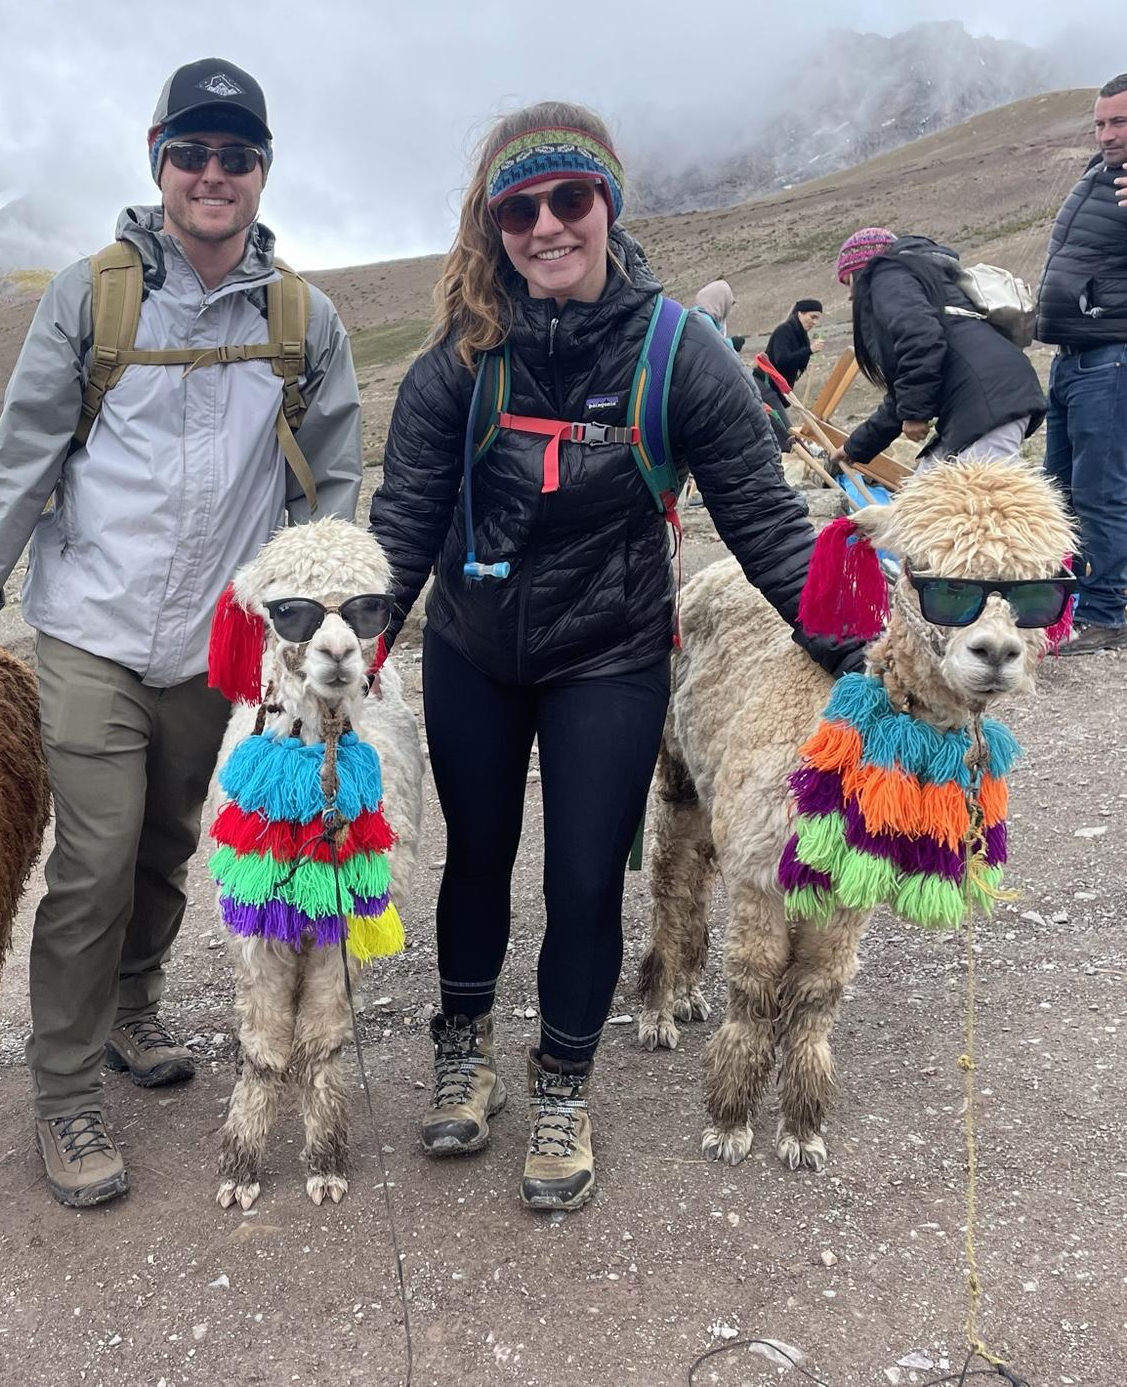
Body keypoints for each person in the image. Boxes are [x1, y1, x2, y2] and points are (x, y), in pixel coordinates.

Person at [0, 58, 362, 1209]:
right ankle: (64, 1092)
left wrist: (324, 640)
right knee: (95, 859)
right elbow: (15, 477)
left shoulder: (303, 320)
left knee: (168, 844)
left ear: (261, 171)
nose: (213, 175)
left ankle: (134, 1007)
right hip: (90, 633)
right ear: (158, 159)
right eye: (192, 153)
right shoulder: (88, 300)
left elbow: (331, 490)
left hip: (221, 650)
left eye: (235, 156)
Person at [368, 101, 861, 1215]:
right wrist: (352, 644)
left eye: (569, 200)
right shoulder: (461, 354)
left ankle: (560, 1084)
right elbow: (403, 520)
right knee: (479, 855)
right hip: (473, 646)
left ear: (607, 206)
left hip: (613, 654)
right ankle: (463, 1047)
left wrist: (856, 648)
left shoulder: (679, 351)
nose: (547, 226)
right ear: (494, 225)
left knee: (587, 876)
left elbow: (767, 524)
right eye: (520, 209)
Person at [830, 229, 1045, 477]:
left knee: (979, 500)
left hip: (990, 398)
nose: (849, 295)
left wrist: (915, 414)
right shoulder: (914, 281)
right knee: (923, 493)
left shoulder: (887, 276)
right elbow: (901, 394)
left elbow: (921, 339)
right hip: (986, 398)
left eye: (848, 281)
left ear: (860, 269)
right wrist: (854, 448)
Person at [1036, 73, 1127, 655]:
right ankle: (1067, 604)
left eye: (1119, 122)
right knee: (1061, 490)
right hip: (1073, 359)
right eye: (1099, 123)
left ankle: (1104, 611)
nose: (1107, 134)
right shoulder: (1099, 175)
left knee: (1100, 491)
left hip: (1109, 360)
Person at [753, 299, 824, 451]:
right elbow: (782, 360)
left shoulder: (801, 335)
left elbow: (797, 365)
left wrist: (809, 352)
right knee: (787, 435)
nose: (815, 322)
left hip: (777, 390)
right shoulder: (784, 331)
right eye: (813, 317)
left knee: (778, 433)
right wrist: (809, 350)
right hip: (765, 385)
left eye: (818, 318)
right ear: (801, 313)